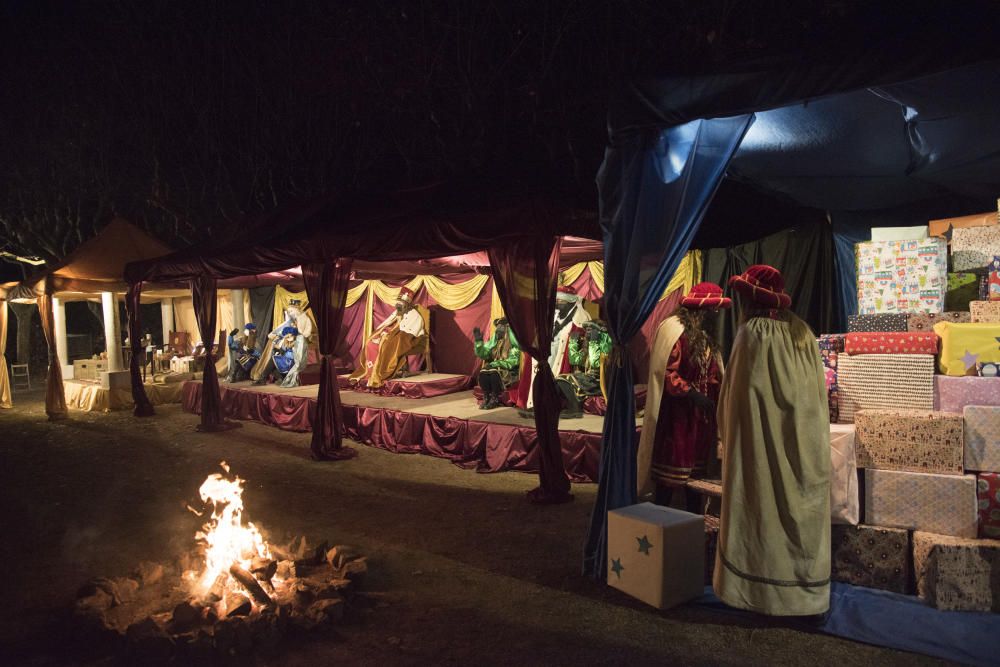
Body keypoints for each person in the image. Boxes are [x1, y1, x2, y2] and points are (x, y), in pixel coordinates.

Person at [713, 264, 830, 618]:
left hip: (761, 446)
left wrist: (728, 435)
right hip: (803, 441)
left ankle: (759, 591)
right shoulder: (803, 334)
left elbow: (737, 398)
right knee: (797, 509)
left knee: (759, 505)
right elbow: (815, 398)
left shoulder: (752, 335)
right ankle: (803, 596)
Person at [639, 283, 730, 508]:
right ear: (702, 310)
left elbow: (712, 373)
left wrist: (717, 395)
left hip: (700, 420)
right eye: (713, 310)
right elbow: (668, 374)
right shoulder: (676, 333)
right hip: (677, 417)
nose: (716, 315)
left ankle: (693, 524)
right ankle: (658, 522)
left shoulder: (706, 338)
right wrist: (692, 394)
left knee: (695, 478)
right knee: (669, 478)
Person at [515, 285, 591, 416]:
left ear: (570, 302)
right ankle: (536, 405)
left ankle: (549, 407)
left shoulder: (580, 319)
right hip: (546, 355)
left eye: (561, 302)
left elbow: (582, 342)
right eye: (556, 302)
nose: (557, 305)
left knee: (553, 379)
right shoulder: (552, 316)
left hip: (563, 358)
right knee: (538, 374)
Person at [348, 286, 427, 389]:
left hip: (410, 338)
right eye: (398, 303)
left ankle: (380, 374)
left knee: (387, 344)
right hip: (394, 335)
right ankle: (368, 373)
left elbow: (408, 333)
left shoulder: (415, 315)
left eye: (401, 304)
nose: (398, 305)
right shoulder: (397, 312)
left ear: (407, 305)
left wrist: (388, 336)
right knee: (370, 342)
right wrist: (381, 334)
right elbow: (387, 324)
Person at [554, 319, 612, 418]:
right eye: (587, 330)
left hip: (598, 381)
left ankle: (574, 409)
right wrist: (573, 343)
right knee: (558, 380)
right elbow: (575, 361)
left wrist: (594, 343)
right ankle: (552, 407)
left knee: (564, 380)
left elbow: (596, 363)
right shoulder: (588, 344)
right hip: (588, 378)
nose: (587, 332)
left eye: (591, 329)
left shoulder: (605, 345)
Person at [254, 298, 313, 387]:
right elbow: (283, 330)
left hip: (294, 355)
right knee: (274, 360)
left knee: (274, 360)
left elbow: (304, 336)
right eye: (290, 312)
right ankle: (275, 378)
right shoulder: (293, 321)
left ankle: (264, 378)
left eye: (292, 311)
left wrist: (283, 346)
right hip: (290, 352)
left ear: (296, 310)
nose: (291, 314)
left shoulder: (303, 320)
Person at [473, 317, 521, 409]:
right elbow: (484, 354)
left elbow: (513, 362)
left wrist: (497, 364)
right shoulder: (494, 343)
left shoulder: (513, 346)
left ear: (507, 330)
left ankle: (494, 398)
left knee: (493, 371)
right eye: (498, 327)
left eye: (501, 328)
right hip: (494, 368)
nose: (498, 330)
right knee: (483, 371)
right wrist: (478, 342)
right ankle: (487, 397)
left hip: (508, 372)